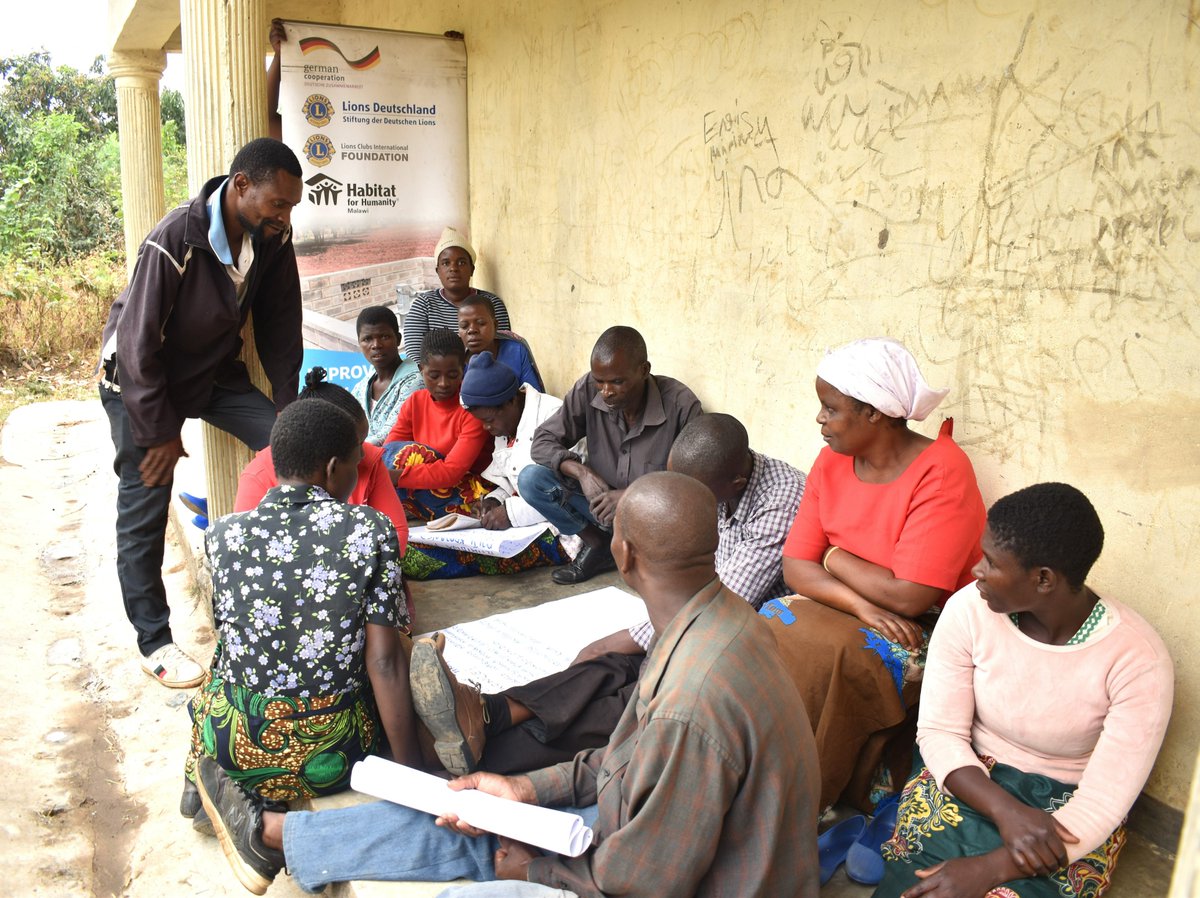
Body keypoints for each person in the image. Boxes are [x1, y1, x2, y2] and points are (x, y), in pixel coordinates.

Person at [195, 472, 822, 897]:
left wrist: (540, 873)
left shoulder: (691, 701)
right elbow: (625, 762)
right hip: (668, 847)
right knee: (476, 814)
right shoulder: (723, 621)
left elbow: (644, 881)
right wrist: (526, 787)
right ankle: (276, 836)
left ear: (623, 555)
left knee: (481, 876)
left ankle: (280, 835)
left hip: (693, 878)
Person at [408, 412, 806, 778]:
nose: (682, 497)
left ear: (735, 484)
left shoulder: (779, 502)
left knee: (637, 695)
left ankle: (486, 755)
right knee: (606, 665)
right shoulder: (708, 477)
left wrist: (630, 637)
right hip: (700, 610)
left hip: (746, 634)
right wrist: (622, 643)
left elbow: (717, 605)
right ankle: (488, 711)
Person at [875, 483, 1173, 898]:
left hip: (1066, 812)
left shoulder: (1137, 659)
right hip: (968, 778)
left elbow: (1103, 802)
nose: (977, 570)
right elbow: (940, 733)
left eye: (992, 562)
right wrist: (1006, 811)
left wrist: (991, 869)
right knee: (920, 885)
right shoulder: (968, 610)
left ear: (1043, 579)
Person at [98, 137, 304, 688]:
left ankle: (293, 578)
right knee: (145, 500)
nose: (284, 217)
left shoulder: (272, 237)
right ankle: (154, 641)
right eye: (278, 204)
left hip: (209, 375)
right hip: (138, 381)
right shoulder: (176, 238)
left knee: (290, 446)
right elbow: (136, 343)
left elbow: (281, 326)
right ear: (241, 186)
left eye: (291, 206)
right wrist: (159, 431)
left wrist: (289, 410)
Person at [762, 337, 986, 813]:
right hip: (852, 604)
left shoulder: (941, 470)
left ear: (873, 413)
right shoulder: (831, 461)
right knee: (768, 625)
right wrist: (860, 602)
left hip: (926, 623)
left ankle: (799, 795)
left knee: (836, 657)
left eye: (830, 409)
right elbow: (796, 565)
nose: (819, 419)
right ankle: (756, 765)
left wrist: (833, 557)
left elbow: (910, 596)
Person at [181, 400, 422, 830]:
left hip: (238, 746)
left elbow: (232, 643)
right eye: (354, 465)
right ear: (332, 469)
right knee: (396, 646)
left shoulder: (222, 534)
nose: (356, 474)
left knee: (219, 670)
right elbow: (383, 662)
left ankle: (203, 777)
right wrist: (413, 774)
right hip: (335, 755)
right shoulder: (369, 529)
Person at [523, 326, 702, 584]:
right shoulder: (588, 389)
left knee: (664, 575)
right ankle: (599, 545)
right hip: (599, 509)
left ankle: (632, 549)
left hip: (650, 517)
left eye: (617, 382)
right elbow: (542, 441)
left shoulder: (680, 405)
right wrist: (582, 472)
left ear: (644, 370)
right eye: (600, 381)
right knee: (532, 480)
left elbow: (692, 485)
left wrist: (630, 496)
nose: (606, 391)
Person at [402, 352, 569, 580]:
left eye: (488, 420)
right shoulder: (507, 424)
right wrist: (494, 500)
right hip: (526, 525)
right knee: (422, 545)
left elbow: (567, 493)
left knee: (438, 557)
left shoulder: (552, 418)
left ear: (511, 400)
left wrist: (509, 513)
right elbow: (512, 481)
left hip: (563, 531)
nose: (486, 428)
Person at [235, 367, 408, 553]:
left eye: (363, 441)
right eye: (356, 444)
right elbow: (250, 553)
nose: (363, 453)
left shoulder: (369, 461)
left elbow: (395, 534)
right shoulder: (258, 476)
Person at [383, 328, 492, 521]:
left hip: (467, 489)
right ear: (421, 370)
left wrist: (395, 477)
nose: (443, 383)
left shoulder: (472, 407)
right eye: (434, 375)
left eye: (452, 375)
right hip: (426, 485)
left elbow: (452, 472)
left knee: (411, 455)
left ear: (463, 369)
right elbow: (389, 451)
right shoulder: (415, 402)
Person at [403, 227, 511, 366]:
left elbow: (505, 350)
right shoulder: (424, 305)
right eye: (446, 263)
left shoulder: (492, 303)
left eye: (461, 262)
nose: (453, 268)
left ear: (472, 269)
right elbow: (415, 357)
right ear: (438, 271)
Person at [350, 306, 423, 445]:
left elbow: (386, 437)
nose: (376, 345)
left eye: (384, 337)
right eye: (367, 339)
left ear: (398, 339)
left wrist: (349, 451)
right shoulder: (364, 384)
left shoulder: (415, 382)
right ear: (359, 343)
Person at [457, 296, 543, 391]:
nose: (472, 330)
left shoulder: (516, 351)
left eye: (481, 323)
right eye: (464, 326)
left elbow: (533, 394)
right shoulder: (456, 359)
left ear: (495, 325)